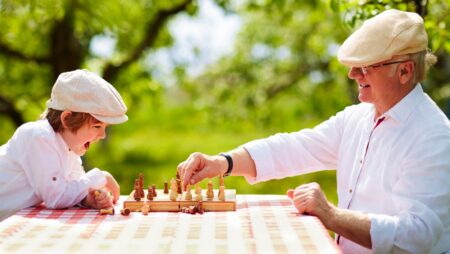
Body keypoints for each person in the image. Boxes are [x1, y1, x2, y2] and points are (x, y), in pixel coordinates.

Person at [177, 9, 450, 253]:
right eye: (354, 66)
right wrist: (221, 163)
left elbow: (418, 237)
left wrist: (330, 215)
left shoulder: (434, 136)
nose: (353, 74)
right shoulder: (357, 118)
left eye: (366, 66)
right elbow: (295, 148)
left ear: (404, 71)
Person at [0, 69, 128, 221]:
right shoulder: (38, 136)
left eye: (105, 128)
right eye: (97, 126)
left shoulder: (68, 147)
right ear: (67, 119)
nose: (102, 135)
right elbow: (56, 197)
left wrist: (87, 198)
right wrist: (100, 176)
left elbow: (74, 188)